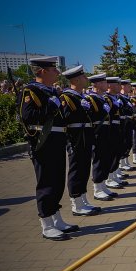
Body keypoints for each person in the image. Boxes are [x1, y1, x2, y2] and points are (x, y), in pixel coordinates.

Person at [18, 57, 79, 241]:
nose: (57, 73)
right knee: (46, 182)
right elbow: (27, 116)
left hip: (57, 140)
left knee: (58, 180)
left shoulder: (53, 91)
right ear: (42, 71)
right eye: (54, 70)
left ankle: (56, 219)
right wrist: (50, 107)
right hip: (43, 142)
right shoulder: (30, 91)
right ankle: (46, 224)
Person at [60, 65, 101, 216]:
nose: (86, 79)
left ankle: (83, 199)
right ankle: (76, 203)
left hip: (85, 136)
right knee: (76, 169)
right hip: (76, 137)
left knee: (84, 168)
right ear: (76, 79)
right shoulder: (67, 97)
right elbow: (65, 119)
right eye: (83, 77)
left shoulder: (81, 97)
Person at [87, 73, 119, 201]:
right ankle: (97, 189)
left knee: (105, 158)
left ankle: (103, 185)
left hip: (106, 132)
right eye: (104, 82)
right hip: (98, 132)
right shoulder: (91, 99)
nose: (107, 85)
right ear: (98, 84)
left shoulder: (102, 99)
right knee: (99, 160)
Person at [105, 77, 127, 189]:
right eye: (117, 84)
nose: (120, 86)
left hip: (118, 127)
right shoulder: (106, 98)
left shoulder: (115, 98)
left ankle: (113, 175)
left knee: (116, 152)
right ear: (109, 86)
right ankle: (109, 178)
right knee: (110, 154)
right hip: (111, 129)